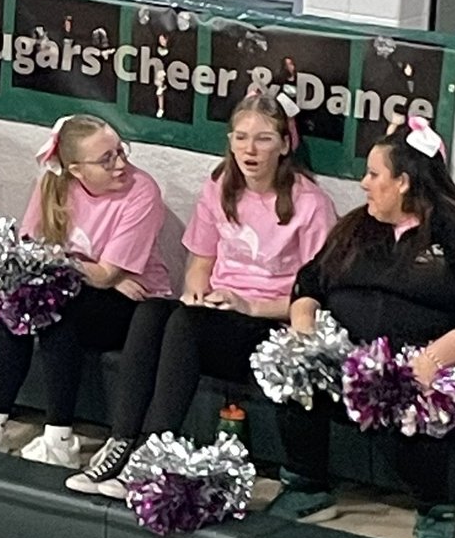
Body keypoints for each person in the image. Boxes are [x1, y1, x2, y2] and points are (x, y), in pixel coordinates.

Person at [67, 93, 336, 495]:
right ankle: (121, 442)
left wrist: (250, 305)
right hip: (220, 313)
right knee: (155, 311)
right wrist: (195, 292)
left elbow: (319, 298)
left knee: (186, 324)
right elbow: (199, 264)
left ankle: (154, 454)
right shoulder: (219, 187)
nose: (250, 149)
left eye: (263, 139)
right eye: (241, 137)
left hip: (271, 323)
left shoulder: (311, 204)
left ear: (284, 144)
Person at [268, 119, 455, 538]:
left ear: (403, 182)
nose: (363, 184)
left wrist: (433, 359)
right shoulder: (360, 225)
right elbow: (311, 280)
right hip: (351, 360)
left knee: (411, 392)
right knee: (297, 370)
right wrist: (304, 330)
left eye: (374, 175)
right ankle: (308, 485)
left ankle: (435, 508)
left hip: (428, 367)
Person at [0, 116, 173, 466]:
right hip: (80, 288)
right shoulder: (52, 185)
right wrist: (82, 268)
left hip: (135, 301)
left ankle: (59, 436)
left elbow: (105, 276)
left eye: (121, 151)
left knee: (57, 313)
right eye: (106, 159)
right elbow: (28, 255)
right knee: (16, 302)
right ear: (75, 170)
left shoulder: (142, 190)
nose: (120, 164)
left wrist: (70, 264)